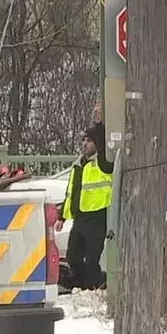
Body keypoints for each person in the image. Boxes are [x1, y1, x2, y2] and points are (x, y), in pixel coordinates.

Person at [56, 120, 114, 290]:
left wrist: (99, 124)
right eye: (84, 141)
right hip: (80, 218)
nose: (85, 144)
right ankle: (87, 284)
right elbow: (71, 193)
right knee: (73, 257)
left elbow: (104, 147)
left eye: (89, 141)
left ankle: (93, 287)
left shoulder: (103, 164)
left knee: (91, 259)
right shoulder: (79, 165)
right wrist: (62, 217)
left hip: (97, 216)